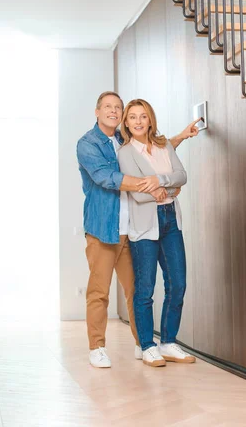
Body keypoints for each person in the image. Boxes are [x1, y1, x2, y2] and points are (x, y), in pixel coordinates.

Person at [77, 91, 199, 368]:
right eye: (107, 107)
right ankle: (97, 346)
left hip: (131, 227)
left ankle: (142, 343)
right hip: (103, 228)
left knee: (136, 289)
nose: (113, 111)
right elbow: (106, 177)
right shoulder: (88, 144)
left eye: (117, 107)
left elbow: (153, 154)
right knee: (100, 291)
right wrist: (157, 187)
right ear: (97, 111)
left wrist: (177, 139)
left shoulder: (124, 138)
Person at [118, 98, 195, 368]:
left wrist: (162, 183)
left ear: (150, 119)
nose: (138, 121)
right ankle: (148, 345)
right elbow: (136, 192)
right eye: (133, 117)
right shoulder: (126, 152)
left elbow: (181, 176)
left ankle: (169, 342)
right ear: (126, 123)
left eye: (143, 116)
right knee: (145, 289)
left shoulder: (164, 145)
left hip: (171, 219)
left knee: (177, 284)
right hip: (144, 225)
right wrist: (166, 189)